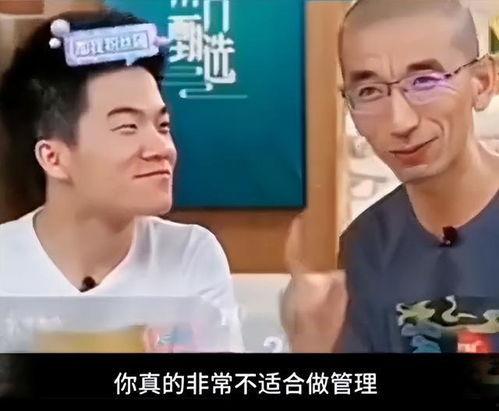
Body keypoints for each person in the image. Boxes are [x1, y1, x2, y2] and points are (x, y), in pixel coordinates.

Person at [0, 9, 242, 352]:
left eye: (162, 126)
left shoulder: (191, 255)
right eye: (127, 127)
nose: (163, 149)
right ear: (53, 158)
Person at [283, 0, 499, 353]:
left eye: (425, 81)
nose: (400, 122)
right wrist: (312, 344)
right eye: (369, 92)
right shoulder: (366, 246)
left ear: (483, 83)